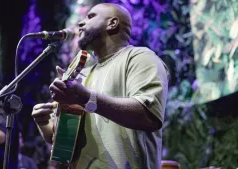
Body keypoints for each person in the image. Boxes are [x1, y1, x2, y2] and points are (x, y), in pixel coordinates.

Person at [32, 3, 169, 169]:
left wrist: (86, 98)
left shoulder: (140, 58)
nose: (81, 23)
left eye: (90, 16)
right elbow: (65, 143)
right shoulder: (83, 75)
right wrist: (45, 123)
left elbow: (149, 116)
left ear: (112, 23)